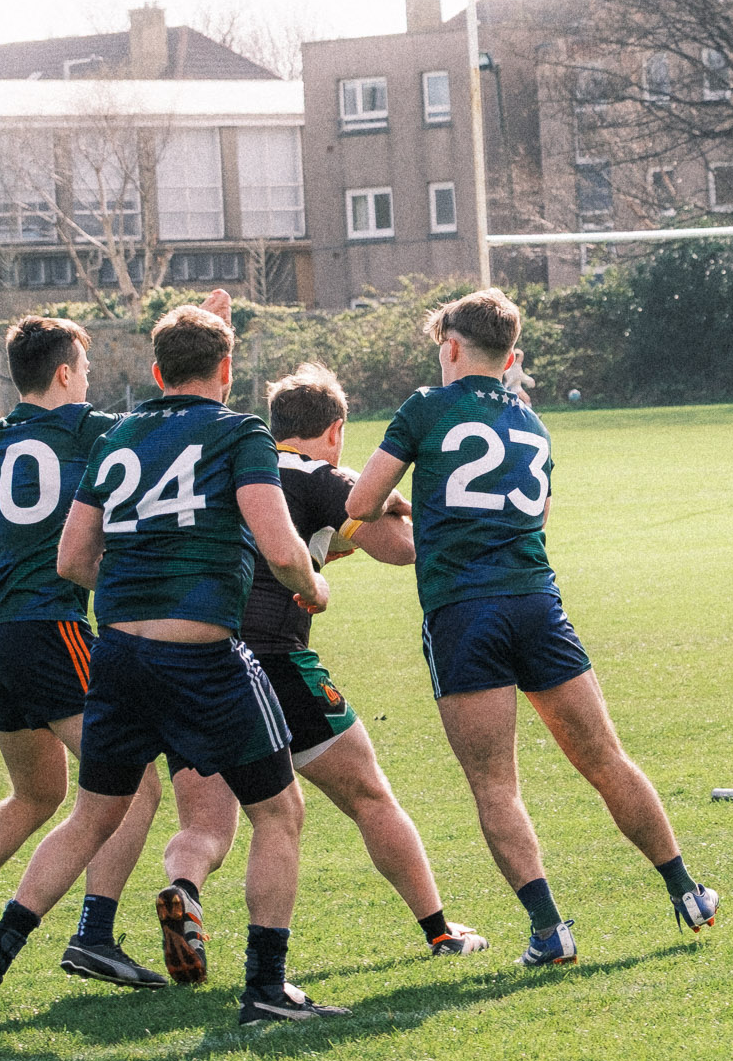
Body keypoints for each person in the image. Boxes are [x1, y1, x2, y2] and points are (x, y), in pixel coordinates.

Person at [0, 292, 342, 1031]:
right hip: (204, 660)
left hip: (119, 657)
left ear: (156, 372)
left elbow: (72, 559)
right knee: (278, 812)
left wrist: (136, 590)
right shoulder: (241, 432)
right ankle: (266, 987)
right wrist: (312, 587)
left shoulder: (119, 434)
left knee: (92, 815)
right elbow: (282, 547)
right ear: (227, 369)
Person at [343, 288, 718, 966]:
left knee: (496, 784)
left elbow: (360, 503)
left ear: (451, 348)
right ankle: (686, 891)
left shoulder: (426, 407)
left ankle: (550, 930)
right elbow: (536, 518)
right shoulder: (536, 427)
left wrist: (412, 501)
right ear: (510, 356)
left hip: (464, 613)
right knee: (605, 758)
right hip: (537, 605)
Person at [151, 363, 489, 983]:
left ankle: (184, 890)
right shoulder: (320, 475)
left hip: (190, 663)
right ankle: (441, 930)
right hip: (274, 664)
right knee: (367, 795)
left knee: (205, 825)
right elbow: (401, 549)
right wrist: (390, 498)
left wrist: (328, 542)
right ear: (335, 431)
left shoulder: (227, 466)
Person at [0, 316, 169, 1000]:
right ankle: (94, 934)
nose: (88, 383)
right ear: (63, 373)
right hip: (47, 625)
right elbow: (164, 424)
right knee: (135, 781)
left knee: (37, 793)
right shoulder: (83, 429)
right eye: (84, 371)